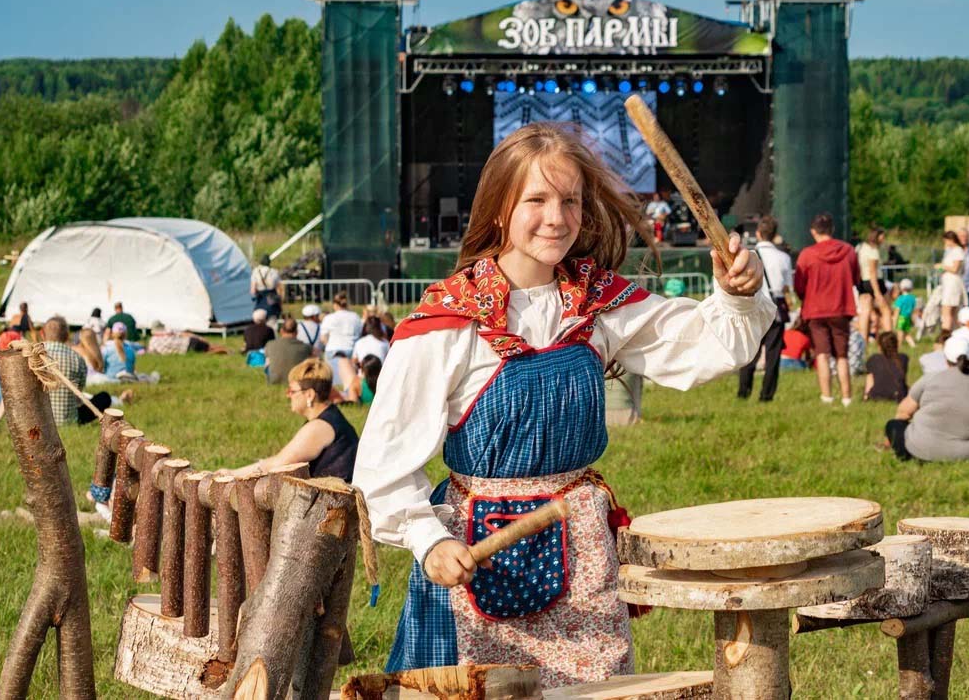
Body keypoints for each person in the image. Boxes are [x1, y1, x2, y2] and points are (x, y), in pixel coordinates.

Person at [354, 122, 773, 687]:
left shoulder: (597, 304)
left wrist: (736, 295)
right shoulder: (448, 321)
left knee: (592, 695)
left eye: (570, 201)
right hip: (472, 560)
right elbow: (383, 465)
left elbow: (709, 343)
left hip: (583, 555)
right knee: (485, 694)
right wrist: (429, 541)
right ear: (499, 209)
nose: (556, 217)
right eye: (537, 200)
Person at [883, 337, 969, 468]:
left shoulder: (929, 378)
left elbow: (904, 412)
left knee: (893, 425)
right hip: (968, 455)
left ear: (946, 358)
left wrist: (891, 440)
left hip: (920, 451)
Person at [224, 357, 359, 481]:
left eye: (292, 391)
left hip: (336, 497)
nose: (288, 395)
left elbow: (278, 464)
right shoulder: (331, 417)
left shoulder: (319, 427)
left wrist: (232, 474)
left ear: (310, 395)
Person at [793, 212, 861, 406]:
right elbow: (856, 278)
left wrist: (806, 298)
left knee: (822, 354)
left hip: (815, 309)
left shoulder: (807, 255)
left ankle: (827, 396)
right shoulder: (848, 251)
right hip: (841, 307)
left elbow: (799, 285)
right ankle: (846, 397)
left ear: (813, 231)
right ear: (832, 229)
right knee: (842, 355)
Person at [738, 215, 793, 402]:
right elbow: (787, 287)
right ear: (775, 234)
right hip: (775, 308)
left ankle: (744, 392)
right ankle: (767, 395)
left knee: (750, 352)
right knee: (773, 354)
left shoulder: (748, 256)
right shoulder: (784, 258)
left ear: (758, 233)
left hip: (754, 305)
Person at [41, 316, 92, 425]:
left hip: (40, 419)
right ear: (67, 335)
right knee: (104, 397)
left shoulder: (35, 356)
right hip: (68, 420)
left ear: (43, 334)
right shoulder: (77, 358)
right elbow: (79, 391)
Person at [321, 291, 364, 391]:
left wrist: (328, 344)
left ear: (335, 305)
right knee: (350, 381)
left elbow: (323, 338)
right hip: (351, 349)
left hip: (333, 349)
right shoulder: (355, 317)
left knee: (333, 381)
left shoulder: (329, 318)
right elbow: (359, 333)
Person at [855, 226, 892, 342]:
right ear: (877, 237)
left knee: (865, 312)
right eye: (882, 236)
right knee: (886, 310)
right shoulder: (873, 251)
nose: (883, 239)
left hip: (863, 282)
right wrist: (877, 292)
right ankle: (889, 338)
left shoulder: (861, 248)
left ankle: (863, 340)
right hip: (875, 282)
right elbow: (872, 272)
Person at [266, 318, 315, 385]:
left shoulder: (270, 344)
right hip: (298, 381)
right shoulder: (306, 347)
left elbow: (267, 363)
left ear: (281, 331)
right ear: (297, 332)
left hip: (274, 381)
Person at [864, 331, 909, 402]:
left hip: (876, 395)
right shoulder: (903, 358)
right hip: (899, 395)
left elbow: (870, 382)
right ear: (896, 344)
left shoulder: (873, 359)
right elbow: (902, 380)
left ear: (879, 346)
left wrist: (866, 397)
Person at [937, 231, 967, 331]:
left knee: (947, 311)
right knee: (952, 314)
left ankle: (945, 334)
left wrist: (942, 266)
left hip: (952, 284)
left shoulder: (958, 251)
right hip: (948, 283)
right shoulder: (951, 251)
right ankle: (956, 332)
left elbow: (955, 269)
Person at [893, 278, 918, 348]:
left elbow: (897, 311)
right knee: (906, 333)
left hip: (901, 318)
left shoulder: (900, 298)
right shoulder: (912, 298)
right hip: (907, 318)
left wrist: (895, 321)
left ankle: (898, 346)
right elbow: (913, 310)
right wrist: (912, 320)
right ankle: (913, 345)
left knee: (900, 334)